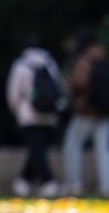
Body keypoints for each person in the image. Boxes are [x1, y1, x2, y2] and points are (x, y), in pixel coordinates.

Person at [6, 36, 66, 198]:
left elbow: (13, 93)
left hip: (28, 115)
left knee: (36, 150)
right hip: (49, 115)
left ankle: (48, 182)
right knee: (37, 149)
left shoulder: (20, 65)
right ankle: (23, 183)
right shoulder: (50, 63)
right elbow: (58, 88)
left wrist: (17, 111)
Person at [63, 27, 109, 197]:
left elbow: (79, 85)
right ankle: (106, 187)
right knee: (103, 150)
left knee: (72, 144)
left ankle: (74, 184)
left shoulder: (84, 61)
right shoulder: (103, 59)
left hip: (86, 113)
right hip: (105, 114)